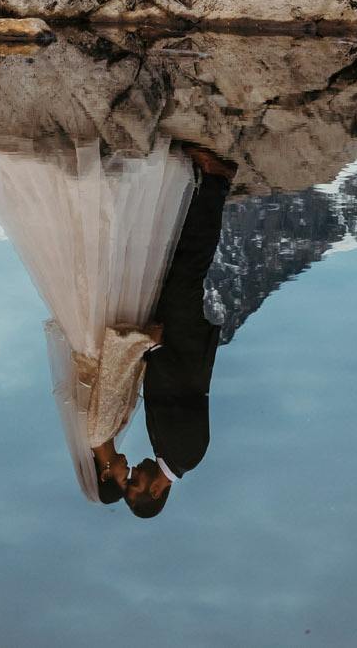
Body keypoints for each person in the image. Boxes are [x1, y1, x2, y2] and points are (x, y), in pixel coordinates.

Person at [0, 86, 198, 502]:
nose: (129, 472)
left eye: (122, 480)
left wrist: (147, 343)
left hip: (98, 332)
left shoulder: (100, 431)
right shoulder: (100, 433)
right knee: (85, 255)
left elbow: (113, 369)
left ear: (106, 474)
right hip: (87, 335)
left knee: (98, 253)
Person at [121, 144, 234, 519]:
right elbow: (182, 392)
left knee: (182, 265)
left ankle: (207, 186)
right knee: (190, 266)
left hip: (176, 341)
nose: (132, 476)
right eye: (135, 485)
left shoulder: (164, 452)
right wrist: (154, 351)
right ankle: (217, 181)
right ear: (155, 490)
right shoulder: (187, 454)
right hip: (183, 341)